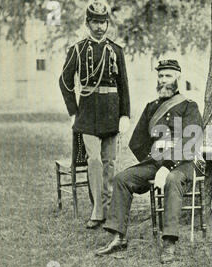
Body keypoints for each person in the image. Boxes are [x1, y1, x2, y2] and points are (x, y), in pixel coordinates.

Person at [95, 59, 203, 264]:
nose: (163, 80)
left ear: (178, 78)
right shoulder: (151, 107)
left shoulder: (189, 106)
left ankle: (169, 242)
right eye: (161, 76)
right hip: (155, 162)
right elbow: (137, 142)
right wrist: (153, 160)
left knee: (171, 179)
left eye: (168, 75)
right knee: (122, 179)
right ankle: (118, 237)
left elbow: (191, 141)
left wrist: (167, 165)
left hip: (183, 163)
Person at [59, 0, 130, 229]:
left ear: (108, 23)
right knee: (95, 161)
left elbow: (123, 85)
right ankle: (97, 210)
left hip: (111, 111)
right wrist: (73, 112)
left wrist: (125, 115)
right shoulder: (78, 50)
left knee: (110, 162)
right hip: (88, 114)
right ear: (87, 23)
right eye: (95, 22)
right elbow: (64, 81)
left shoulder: (116, 50)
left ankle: (109, 209)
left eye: (103, 22)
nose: (99, 27)